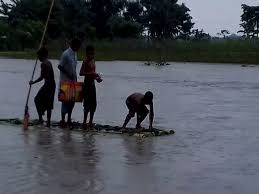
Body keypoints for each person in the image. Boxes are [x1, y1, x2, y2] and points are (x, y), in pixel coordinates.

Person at [29, 47, 56, 127]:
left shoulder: (43, 64)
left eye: (39, 56)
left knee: (37, 99)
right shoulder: (49, 62)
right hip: (52, 85)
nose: (38, 58)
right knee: (49, 104)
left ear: (42, 55)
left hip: (48, 85)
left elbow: (42, 77)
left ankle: (41, 119)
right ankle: (47, 122)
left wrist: (33, 82)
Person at [58, 38, 81, 127]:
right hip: (65, 81)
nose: (79, 48)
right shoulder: (66, 54)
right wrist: (68, 74)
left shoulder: (75, 54)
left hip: (73, 81)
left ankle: (69, 119)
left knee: (72, 100)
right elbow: (60, 66)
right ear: (74, 45)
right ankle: (63, 119)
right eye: (78, 46)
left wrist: (74, 77)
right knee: (65, 101)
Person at [79, 45, 102, 129]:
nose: (91, 55)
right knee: (87, 104)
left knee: (93, 104)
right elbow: (81, 73)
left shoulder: (93, 61)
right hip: (87, 85)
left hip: (92, 85)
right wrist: (91, 74)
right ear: (86, 53)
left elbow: (93, 73)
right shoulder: (85, 61)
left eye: (93, 53)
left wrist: (97, 78)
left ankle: (91, 122)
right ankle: (84, 122)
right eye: (90, 54)